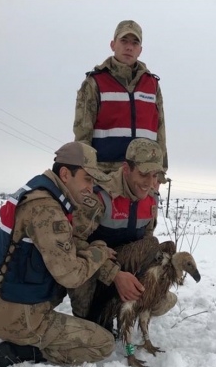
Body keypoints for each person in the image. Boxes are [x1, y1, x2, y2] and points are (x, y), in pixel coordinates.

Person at [0, 142, 121, 367]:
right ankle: (17, 353)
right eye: (87, 179)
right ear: (65, 174)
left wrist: (88, 253)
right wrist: (100, 252)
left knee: (81, 267)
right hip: (12, 315)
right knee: (103, 344)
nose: (91, 188)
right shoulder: (47, 209)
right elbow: (71, 275)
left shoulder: (40, 191)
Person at [70, 138, 176, 328]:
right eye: (144, 174)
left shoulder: (150, 199)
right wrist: (115, 275)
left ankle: (123, 309)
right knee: (95, 332)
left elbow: (145, 243)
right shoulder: (99, 196)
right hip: (93, 273)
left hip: (125, 268)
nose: (150, 183)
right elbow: (72, 244)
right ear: (126, 169)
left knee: (164, 291)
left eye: (155, 175)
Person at [73, 20, 169, 185]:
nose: (129, 47)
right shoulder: (94, 82)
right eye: (124, 41)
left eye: (134, 42)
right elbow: (83, 135)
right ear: (113, 44)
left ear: (140, 50)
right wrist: (86, 175)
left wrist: (159, 173)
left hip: (143, 178)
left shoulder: (152, 84)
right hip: (105, 177)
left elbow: (160, 130)